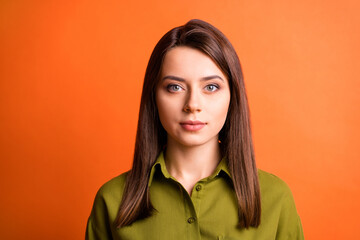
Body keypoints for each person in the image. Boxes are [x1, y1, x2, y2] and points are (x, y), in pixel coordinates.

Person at [85, 19, 304, 240]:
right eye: (175, 87)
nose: (193, 104)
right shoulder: (112, 200)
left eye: (211, 87)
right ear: (154, 97)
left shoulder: (276, 199)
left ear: (232, 96)